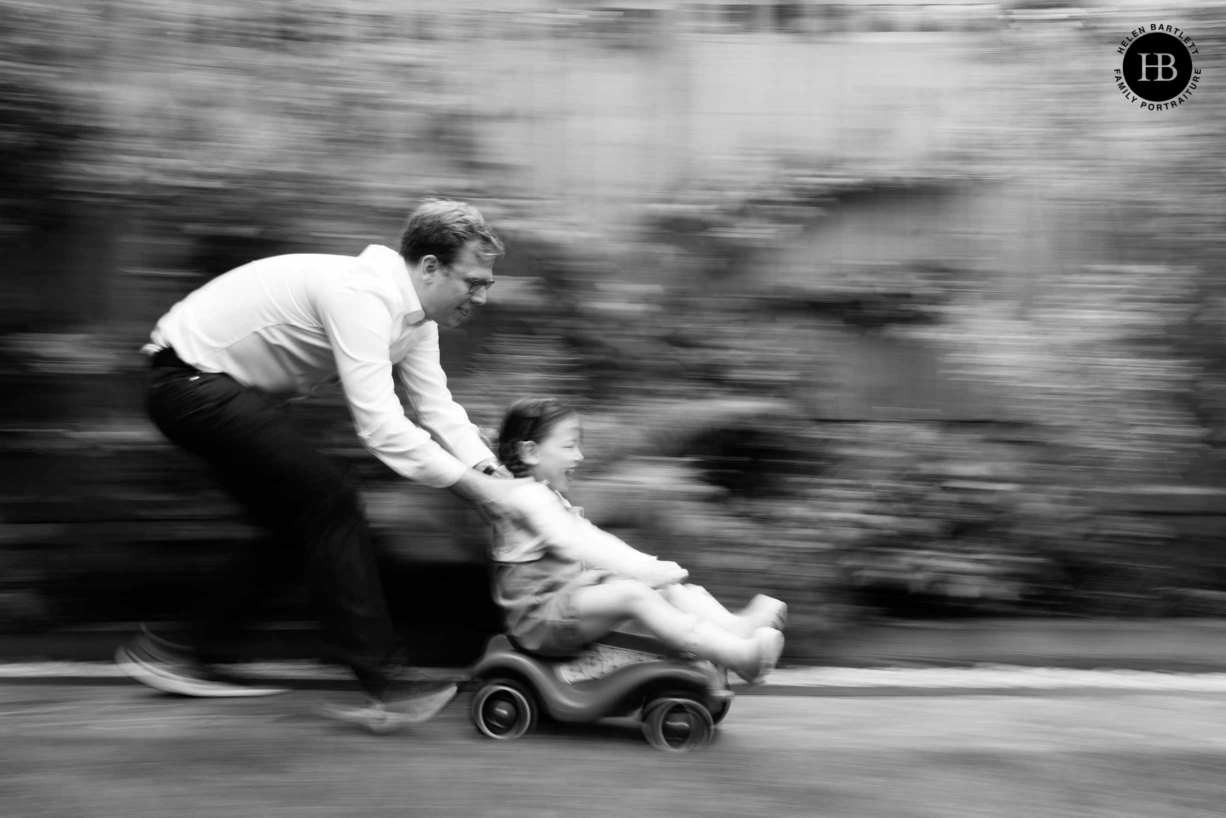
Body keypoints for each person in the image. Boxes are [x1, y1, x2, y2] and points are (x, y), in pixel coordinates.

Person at [116, 198, 526, 733]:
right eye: (473, 280)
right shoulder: (362, 295)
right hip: (190, 384)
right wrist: (476, 492)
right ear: (429, 267)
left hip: (217, 392)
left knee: (298, 524)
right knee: (331, 501)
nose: (482, 295)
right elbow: (381, 427)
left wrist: (493, 474)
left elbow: (436, 409)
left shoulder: (416, 322)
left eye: (487, 284)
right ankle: (388, 684)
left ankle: (183, 652)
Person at [489, 397, 787, 685]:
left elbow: (592, 536)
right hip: (540, 620)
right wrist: (642, 572)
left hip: (563, 599)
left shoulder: (544, 496)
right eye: (569, 446)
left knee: (663, 588)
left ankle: (737, 629)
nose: (579, 456)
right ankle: (739, 655)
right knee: (634, 594)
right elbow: (572, 543)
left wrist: (648, 567)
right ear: (530, 452)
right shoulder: (525, 497)